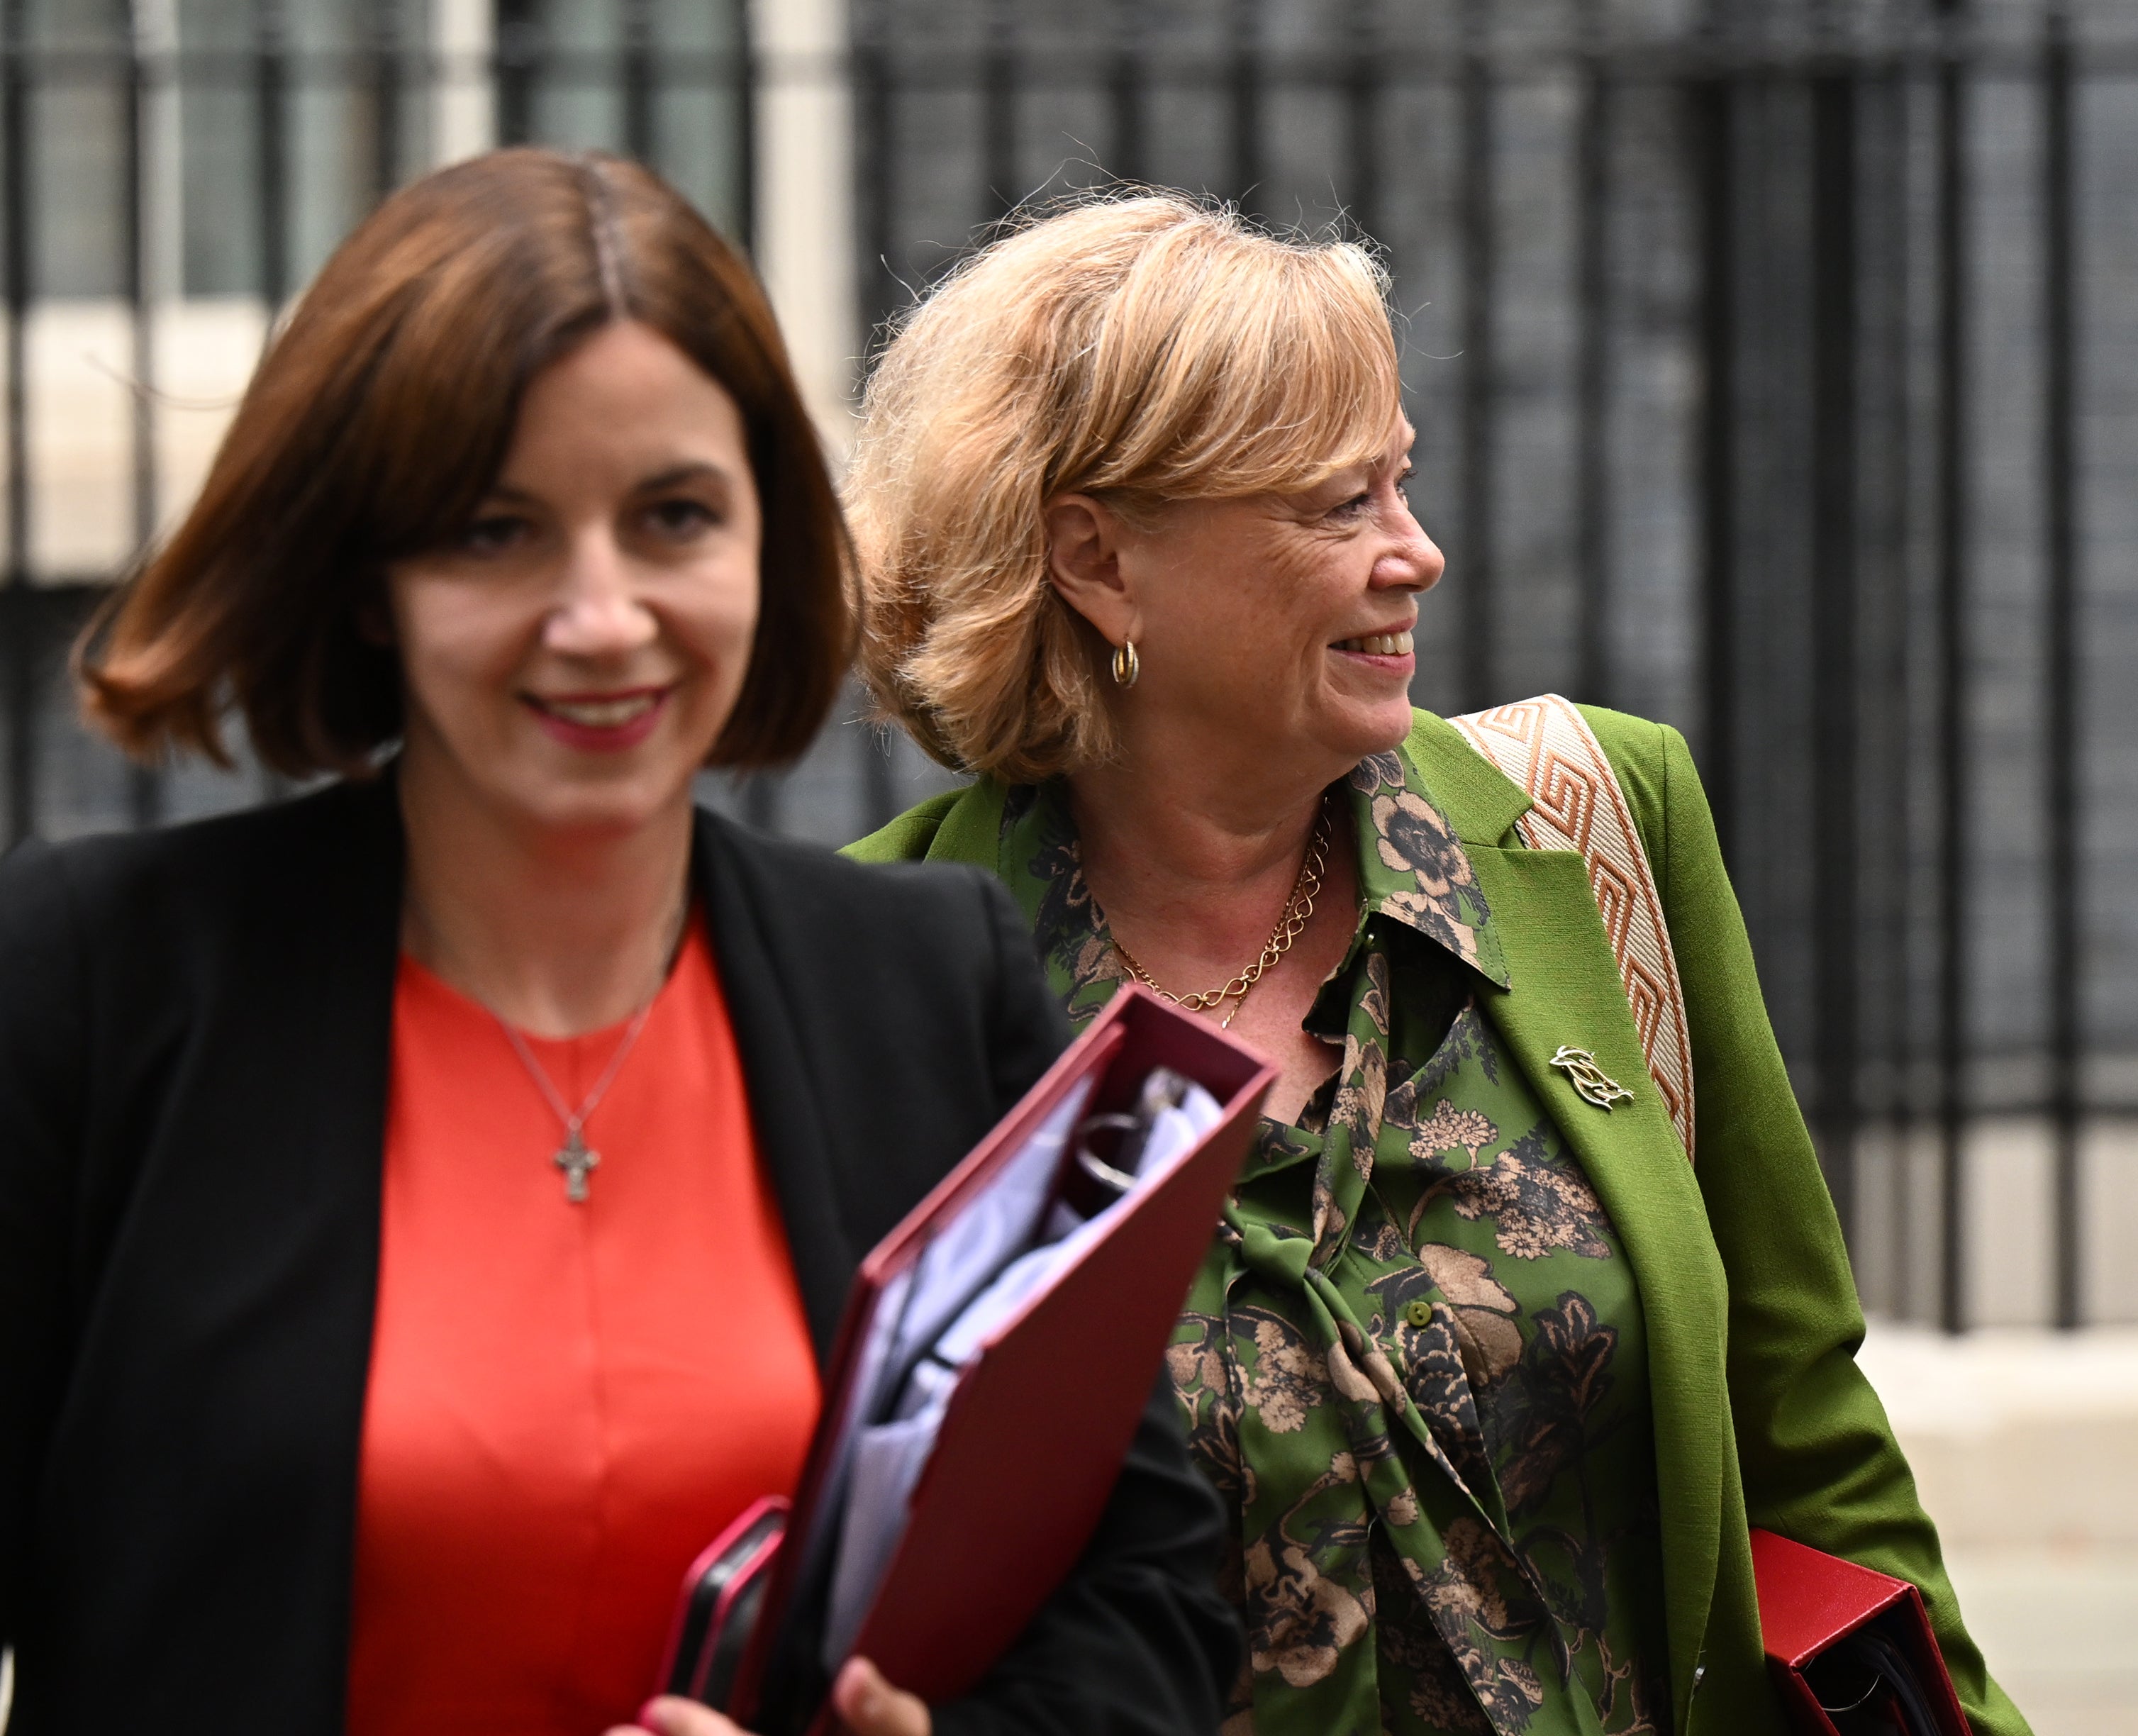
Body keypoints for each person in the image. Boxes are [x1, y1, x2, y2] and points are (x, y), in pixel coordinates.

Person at [0, 151, 1236, 1736]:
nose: (601, 617)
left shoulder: (932, 987)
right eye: (494, 533)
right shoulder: (97, 993)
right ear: (369, 578)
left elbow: (1143, 1598)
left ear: (764, 539)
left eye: (672, 516)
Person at [842, 194, 2026, 1736]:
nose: (1419, 554)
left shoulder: (1595, 833)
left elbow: (1802, 1432)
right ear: (1099, 562)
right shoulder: (881, 977)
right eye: (1337, 507)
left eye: (1400, 480)